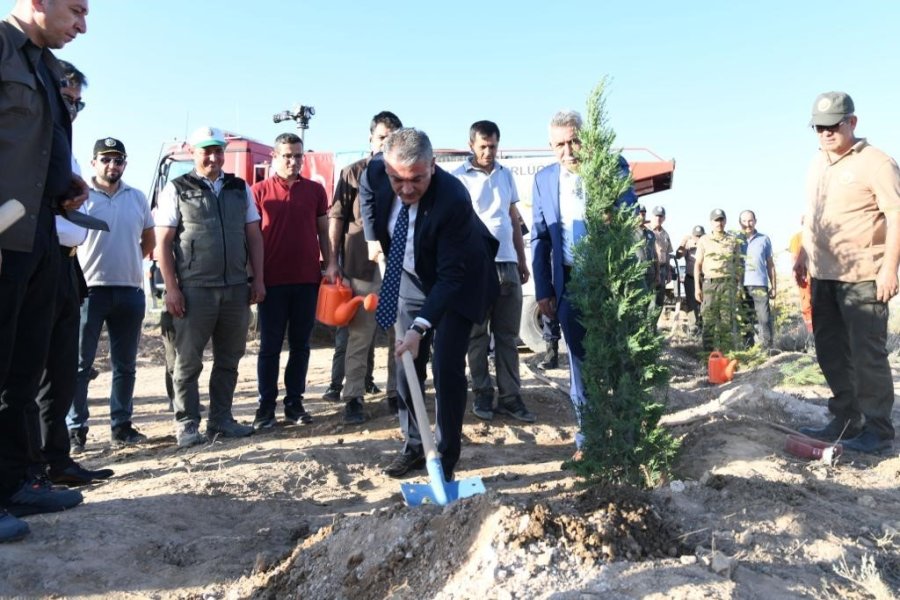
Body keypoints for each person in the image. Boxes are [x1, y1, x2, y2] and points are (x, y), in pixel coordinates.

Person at [362, 128, 499, 480]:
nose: (406, 189)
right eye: (398, 180)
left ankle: (446, 458)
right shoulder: (375, 172)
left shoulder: (453, 199)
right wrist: (372, 237)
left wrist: (421, 327)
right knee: (406, 363)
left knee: (446, 365)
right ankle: (414, 447)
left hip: (460, 279)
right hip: (409, 275)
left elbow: (451, 277)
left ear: (433, 166)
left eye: (417, 180)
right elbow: (367, 196)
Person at [0, 0, 89, 542]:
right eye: (76, 10)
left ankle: (15, 484)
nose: (82, 25)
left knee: (21, 370)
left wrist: (64, 184)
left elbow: (37, 144)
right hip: (2, 234)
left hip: (36, 238)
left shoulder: (48, 67)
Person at [795, 91, 899, 454]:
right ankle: (846, 417)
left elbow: (896, 215)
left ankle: (878, 430)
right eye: (818, 127)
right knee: (830, 350)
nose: (824, 133)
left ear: (852, 122)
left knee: (866, 354)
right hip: (824, 275)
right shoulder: (816, 163)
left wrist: (890, 268)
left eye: (832, 126)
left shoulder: (877, 163)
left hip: (863, 277)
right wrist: (802, 252)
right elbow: (813, 214)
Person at [25, 62, 113, 486]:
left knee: (61, 371)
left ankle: (56, 460)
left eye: (78, 103)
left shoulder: (63, 145)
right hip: (31, 261)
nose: (72, 110)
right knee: (27, 370)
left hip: (65, 265)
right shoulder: (27, 144)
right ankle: (28, 469)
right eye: (66, 100)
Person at [531, 110, 638, 455]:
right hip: (570, 282)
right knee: (579, 365)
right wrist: (544, 289)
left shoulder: (612, 166)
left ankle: (627, 437)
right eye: (560, 144)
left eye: (574, 140)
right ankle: (589, 439)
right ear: (551, 146)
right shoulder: (544, 180)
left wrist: (611, 212)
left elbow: (629, 212)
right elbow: (540, 238)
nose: (569, 150)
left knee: (620, 361)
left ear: (586, 138)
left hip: (610, 281)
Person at [155, 126, 265, 447]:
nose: (213, 157)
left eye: (218, 150)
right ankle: (187, 424)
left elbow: (253, 235)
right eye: (207, 150)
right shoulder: (177, 189)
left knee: (229, 358)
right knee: (187, 361)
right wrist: (172, 288)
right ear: (194, 151)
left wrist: (257, 278)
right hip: (194, 288)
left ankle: (221, 420)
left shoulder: (238, 188)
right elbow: (163, 242)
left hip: (234, 288)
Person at [66, 138, 154, 449]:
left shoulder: (137, 197)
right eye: (105, 160)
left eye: (117, 160)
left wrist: (126, 263)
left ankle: (122, 425)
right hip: (89, 292)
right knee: (79, 364)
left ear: (125, 164)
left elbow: (149, 240)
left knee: (126, 365)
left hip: (130, 291)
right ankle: (76, 429)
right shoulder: (80, 197)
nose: (112, 166)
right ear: (94, 163)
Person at [451, 120, 534, 423]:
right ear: (471, 144)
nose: (488, 151)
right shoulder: (457, 178)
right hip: (475, 267)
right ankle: (482, 394)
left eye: (493, 146)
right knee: (476, 335)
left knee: (508, 336)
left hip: (508, 263)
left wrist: (522, 261)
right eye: (483, 146)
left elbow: (513, 219)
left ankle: (511, 397)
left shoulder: (506, 175)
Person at [324, 111, 402, 424]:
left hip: (398, 267)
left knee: (400, 334)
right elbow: (337, 219)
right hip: (361, 267)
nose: (387, 142)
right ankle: (353, 397)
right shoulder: (352, 173)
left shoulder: (405, 173)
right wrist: (332, 261)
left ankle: (396, 394)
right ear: (371, 138)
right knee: (360, 336)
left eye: (393, 137)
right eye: (382, 137)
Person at [251, 133, 328, 430]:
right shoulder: (258, 192)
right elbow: (251, 237)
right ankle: (265, 408)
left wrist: (330, 264)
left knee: (301, 346)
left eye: (298, 156)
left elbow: (324, 231)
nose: (293, 161)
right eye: (287, 155)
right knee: (269, 347)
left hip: (306, 280)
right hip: (271, 281)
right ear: (274, 157)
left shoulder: (315, 191)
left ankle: (294, 404)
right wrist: (254, 277)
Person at [694, 209, 743, 351]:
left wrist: (738, 287)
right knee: (709, 320)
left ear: (725, 221)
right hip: (710, 284)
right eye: (716, 220)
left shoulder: (732, 240)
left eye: (721, 219)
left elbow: (737, 264)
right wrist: (697, 287)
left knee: (726, 321)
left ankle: (724, 356)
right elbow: (697, 264)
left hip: (728, 284)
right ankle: (707, 358)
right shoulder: (704, 240)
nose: (719, 223)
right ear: (711, 222)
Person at [738, 210, 776, 348]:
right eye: (744, 221)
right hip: (742, 287)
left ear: (755, 221)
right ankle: (748, 349)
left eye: (750, 221)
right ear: (739, 222)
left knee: (764, 319)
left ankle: (768, 349)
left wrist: (774, 287)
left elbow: (770, 264)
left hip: (760, 285)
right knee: (746, 320)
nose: (747, 224)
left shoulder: (764, 239)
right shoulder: (736, 240)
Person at [675, 225, 705, 328]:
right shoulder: (688, 244)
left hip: (704, 279)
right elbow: (678, 256)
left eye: (700, 236)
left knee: (704, 304)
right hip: (690, 278)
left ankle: (704, 327)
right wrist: (683, 243)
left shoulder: (706, 244)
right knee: (692, 304)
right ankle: (693, 328)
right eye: (696, 236)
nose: (698, 238)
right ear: (692, 236)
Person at [650, 206, 673, 307]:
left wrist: (668, 271)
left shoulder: (666, 234)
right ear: (652, 216)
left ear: (664, 218)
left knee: (659, 300)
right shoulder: (647, 230)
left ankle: (654, 322)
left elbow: (667, 253)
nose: (658, 218)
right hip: (650, 268)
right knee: (649, 298)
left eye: (661, 216)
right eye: (656, 216)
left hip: (663, 269)